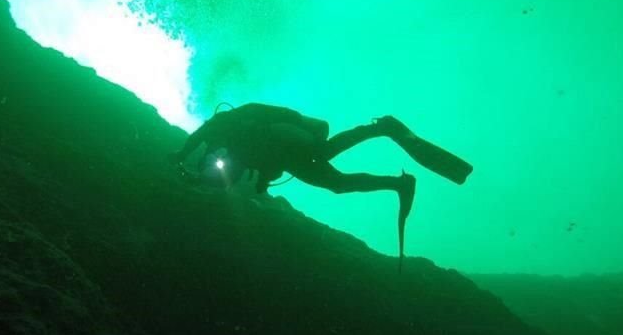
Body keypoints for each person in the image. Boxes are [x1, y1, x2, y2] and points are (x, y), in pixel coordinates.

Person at [170, 103, 473, 271]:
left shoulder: (225, 126)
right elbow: (232, 177)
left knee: (326, 160)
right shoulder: (233, 147)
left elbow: (200, 140)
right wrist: (198, 176)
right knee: (336, 182)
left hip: (292, 146)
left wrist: (182, 158)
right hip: (290, 151)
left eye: (211, 153)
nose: (213, 153)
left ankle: (381, 130)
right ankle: (398, 181)